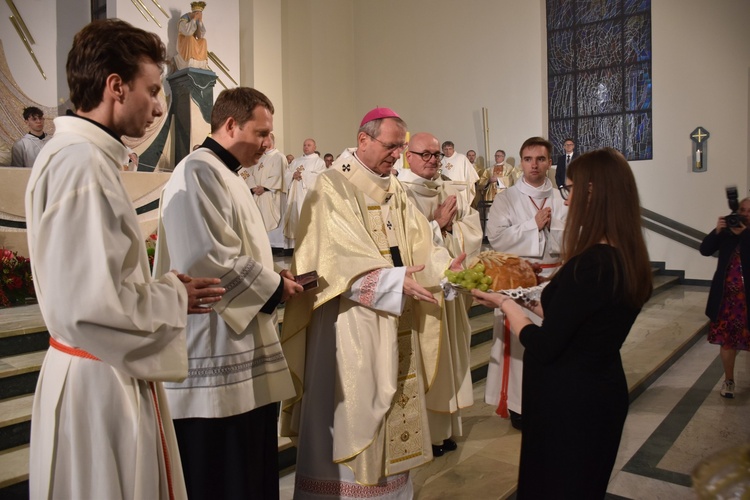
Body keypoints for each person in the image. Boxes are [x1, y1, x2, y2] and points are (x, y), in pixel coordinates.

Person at [24, 19, 225, 500]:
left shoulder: (78, 157)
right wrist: (174, 295)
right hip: (100, 384)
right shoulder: (82, 165)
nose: (159, 107)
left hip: (99, 369)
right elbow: (92, 304)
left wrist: (161, 290)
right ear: (116, 86)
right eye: (153, 90)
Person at [280, 108, 463, 498]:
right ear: (363, 140)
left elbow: (420, 244)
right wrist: (393, 281)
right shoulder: (331, 186)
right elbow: (335, 257)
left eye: (401, 146)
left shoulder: (393, 187)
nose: (398, 154)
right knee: (352, 410)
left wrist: (448, 272)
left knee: (393, 415)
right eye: (392, 146)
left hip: (395, 314)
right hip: (348, 325)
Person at [473, 147, 653, 499]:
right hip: (600, 387)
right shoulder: (626, 254)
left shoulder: (592, 264)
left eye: (570, 190)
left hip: (572, 402)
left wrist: (506, 304)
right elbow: (580, 320)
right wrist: (530, 302)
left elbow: (545, 346)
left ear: (593, 194)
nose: (565, 201)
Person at [155, 87, 303, 500]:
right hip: (211, 349)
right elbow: (207, 257)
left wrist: (277, 277)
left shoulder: (228, 175)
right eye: (261, 133)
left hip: (239, 340)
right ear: (230, 124)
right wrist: (274, 287)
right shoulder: (196, 172)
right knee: (218, 469)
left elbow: (238, 251)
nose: (268, 144)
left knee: (248, 463)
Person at [400, 132, 483, 457]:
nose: (433, 160)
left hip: (451, 295)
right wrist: (436, 224)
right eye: (425, 154)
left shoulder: (451, 189)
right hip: (424, 294)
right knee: (426, 363)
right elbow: (405, 244)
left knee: (450, 360)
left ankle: (446, 432)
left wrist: (447, 228)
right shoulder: (399, 192)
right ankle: (426, 436)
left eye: (437, 155)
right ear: (409, 155)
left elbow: (472, 231)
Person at [484, 137, 567, 430]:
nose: (534, 165)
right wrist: (533, 225)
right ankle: (520, 406)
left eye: (541, 159)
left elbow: (571, 237)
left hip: (554, 279)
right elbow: (496, 238)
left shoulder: (559, 197)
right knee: (521, 347)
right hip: (518, 281)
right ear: (520, 162)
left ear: (549, 163)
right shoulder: (507, 198)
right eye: (529, 159)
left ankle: (549, 401)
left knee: (554, 344)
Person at [699, 197, 750, 398]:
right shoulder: (728, 233)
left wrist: (745, 234)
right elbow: (705, 250)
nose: (745, 214)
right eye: (743, 210)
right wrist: (716, 231)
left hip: (747, 301)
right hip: (727, 301)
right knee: (727, 342)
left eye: (749, 211)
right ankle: (729, 381)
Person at [239, 132, 286, 233]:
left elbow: (278, 175)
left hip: (270, 194)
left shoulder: (279, 157)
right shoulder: (259, 157)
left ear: (271, 141)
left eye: (264, 139)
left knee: (271, 228)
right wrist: (252, 187)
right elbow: (248, 172)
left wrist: (264, 187)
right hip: (257, 194)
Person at [282, 138, 326, 244]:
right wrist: (293, 175)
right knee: (294, 216)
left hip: (308, 195)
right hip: (295, 195)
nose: (306, 147)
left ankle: (309, 243)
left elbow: (320, 176)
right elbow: (286, 173)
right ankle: (293, 245)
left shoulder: (319, 162)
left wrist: (302, 175)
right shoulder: (296, 161)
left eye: (309, 145)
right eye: (304, 145)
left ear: (315, 147)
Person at [440, 141, 479, 206]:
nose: (448, 151)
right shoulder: (441, 161)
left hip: (461, 189)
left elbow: (469, 173)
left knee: (461, 207)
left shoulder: (461, 158)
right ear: (442, 150)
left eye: (450, 149)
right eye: (445, 149)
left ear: (453, 149)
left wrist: (469, 183)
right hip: (446, 190)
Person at [175, 1, 208, 70]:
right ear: (194, 13)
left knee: (203, 41)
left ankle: (201, 62)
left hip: (191, 41)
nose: (199, 15)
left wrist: (200, 22)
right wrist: (194, 19)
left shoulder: (197, 21)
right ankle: (191, 60)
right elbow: (187, 32)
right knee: (190, 38)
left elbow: (200, 36)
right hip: (183, 41)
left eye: (200, 14)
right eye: (198, 14)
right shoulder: (184, 19)